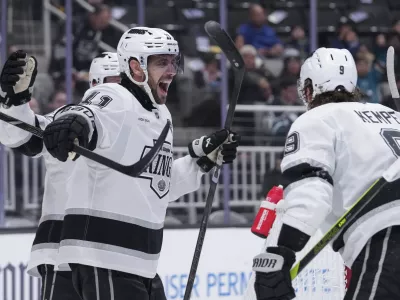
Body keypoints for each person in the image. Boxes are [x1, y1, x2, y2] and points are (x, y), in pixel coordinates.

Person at [40, 27, 239, 300]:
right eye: (161, 62)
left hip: (142, 264)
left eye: (173, 61)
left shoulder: (162, 115)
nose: (172, 70)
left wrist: (200, 161)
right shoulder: (118, 96)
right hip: (104, 257)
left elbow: (158, 186)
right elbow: (91, 111)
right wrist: (73, 123)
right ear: (135, 67)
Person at [252, 48, 400, 300]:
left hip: (386, 235)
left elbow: (311, 191)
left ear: (309, 89)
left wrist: (282, 252)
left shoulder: (315, 119)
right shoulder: (393, 116)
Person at [0, 50, 121, 300]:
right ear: (96, 84)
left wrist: (198, 162)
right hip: (62, 253)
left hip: (118, 254)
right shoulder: (70, 116)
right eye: (115, 82)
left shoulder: (139, 127)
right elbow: (22, 138)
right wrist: (16, 102)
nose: (121, 91)